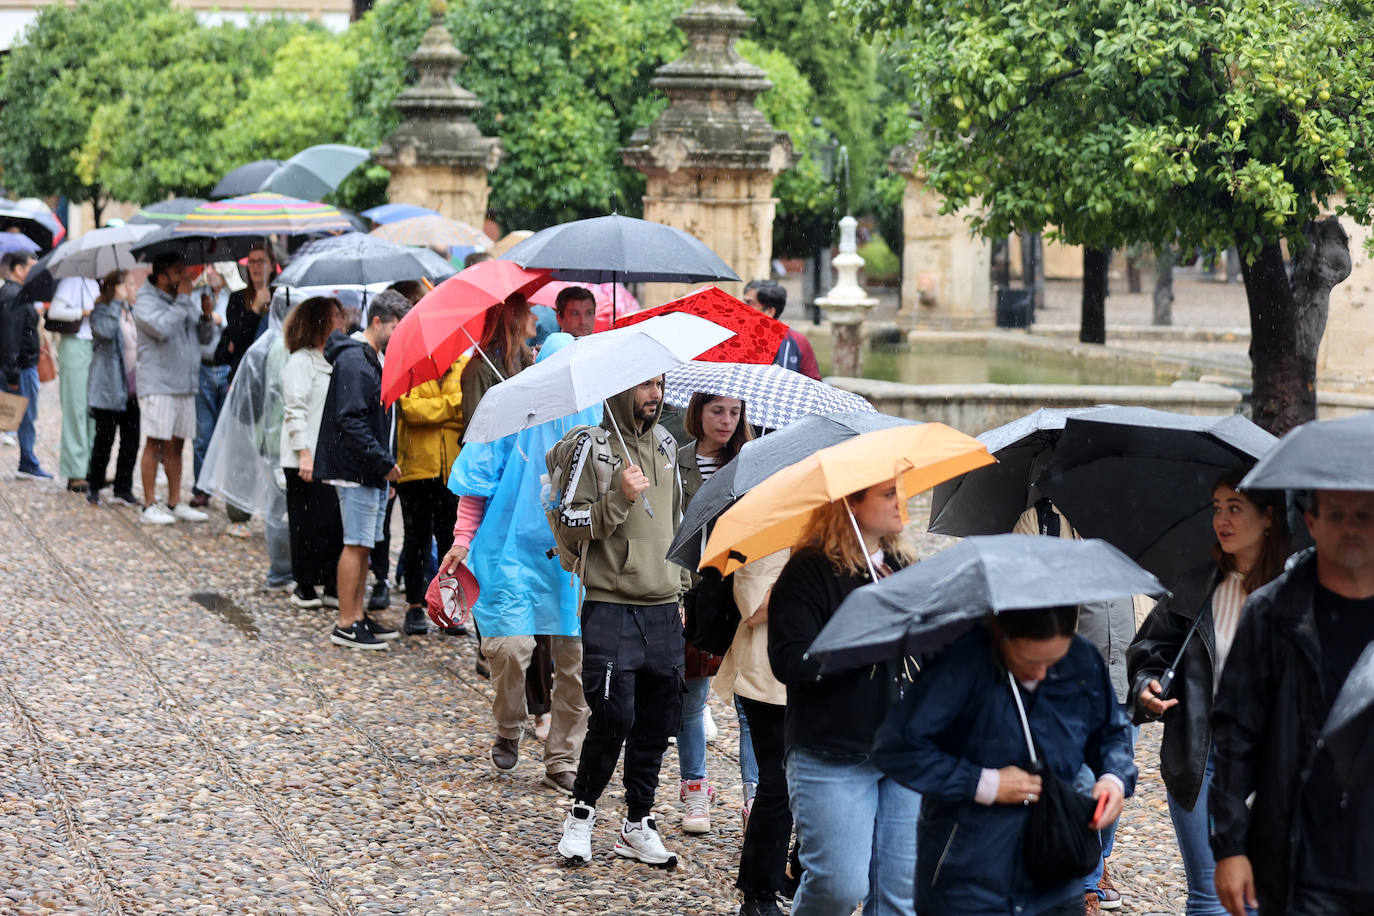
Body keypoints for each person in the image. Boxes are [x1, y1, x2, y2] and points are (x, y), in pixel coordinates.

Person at [874, 604, 1136, 916]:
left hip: (1056, 869)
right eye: (1029, 662)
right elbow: (897, 747)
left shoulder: (1081, 658)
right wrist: (984, 783)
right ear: (1001, 633)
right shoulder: (961, 662)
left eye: (1052, 663)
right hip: (969, 874)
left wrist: (1113, 778)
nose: (1040, 674)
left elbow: (1111, 730)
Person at [1128, 471, 1291, 916]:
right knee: (1209, 897)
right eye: (1217, 508)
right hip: (1202, 754)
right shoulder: (1197, 586)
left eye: (1235, 508)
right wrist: (1148, 686)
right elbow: (1150, 652)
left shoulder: (1297, 593)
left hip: (1278, 762)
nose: (1222, 519)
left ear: (1269, 518)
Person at [1209, 488, 1374, 916]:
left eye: (1366, 515)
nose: (1352, 528)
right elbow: (1235, 737)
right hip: (1299, 861)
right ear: (1312, 522)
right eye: (1337, 514)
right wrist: (1229, 847)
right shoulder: (1272, 612)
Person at [441, 331, 592, 793]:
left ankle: (563, 755)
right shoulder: (507, 411)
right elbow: (477, 483)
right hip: (509, 550)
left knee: (578, 661)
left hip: (574, 554)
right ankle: (509, 723)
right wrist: (463, 541)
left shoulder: (597, 413)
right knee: (509, 648)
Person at [767, 482, 921, 916]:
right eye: (888, 493)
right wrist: (864, 629)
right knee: (838, 885)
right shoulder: (809, 570)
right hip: (831, 750)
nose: (900, 502)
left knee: (898, 895)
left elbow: (928, 652)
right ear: (851, 502)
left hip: (903, 748)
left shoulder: (903, 564)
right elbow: (789, 661)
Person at [554, 375, 688, 869]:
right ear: (617, 389)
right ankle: (581, 818)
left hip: (664, 605)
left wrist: (682, 590)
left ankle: (637, 823)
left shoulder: (669, 444)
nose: (654, 395)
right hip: (611, 604)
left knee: (657, 721)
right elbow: (569, 517)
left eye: (659, 384)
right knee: (612, 717)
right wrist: (619, 499)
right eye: (643, 385)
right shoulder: (593, 446)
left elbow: (677, 522)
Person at [1013, 498, 1142, 912]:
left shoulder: (1128, 516)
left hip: (1124, 674)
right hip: (1067, 680)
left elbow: (1148, 592)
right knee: (1078, 779)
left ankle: (1099, 858)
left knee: (1116, 773)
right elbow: (1018, 589)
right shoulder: (1040, 520)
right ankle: (1082, 876)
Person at [676, 393, 754, 835]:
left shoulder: (751, 460)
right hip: (693, 587)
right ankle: (694, 787)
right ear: (698, 412)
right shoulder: (676, 460)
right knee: (692, 696)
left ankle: (754, 794)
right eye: (717, 410)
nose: (727, 421)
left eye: (735, 411)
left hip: (738, 584)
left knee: (750, 697)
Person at [312, 295, 405, 651]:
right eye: (396, 327)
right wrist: (382, 461)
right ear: (378, 322)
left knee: (364, 545)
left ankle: (357, 615)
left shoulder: (368, 358)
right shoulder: (354, 359)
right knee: (355, 545)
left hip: (368, 470)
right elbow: (350, 419)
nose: (398, 335)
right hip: (356, 470)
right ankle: (346, 622)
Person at [716, 547, 790, 916]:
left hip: (821, 676)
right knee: (778, 783)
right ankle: (758, 894)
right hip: (766, 679)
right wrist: (802, 580)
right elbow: (754, 613)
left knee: (818, 777)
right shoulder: (761, 539)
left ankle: (799, 867)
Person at [132, 254, 215, 523]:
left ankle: (174, 501)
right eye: (178, 271)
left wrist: (205, 315)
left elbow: (204, 339)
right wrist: (183, 300)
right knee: (155, 442)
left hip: (184, 382)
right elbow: (162, 327)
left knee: (177, 444)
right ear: (162, 275)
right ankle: (148, 504)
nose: (184, 276)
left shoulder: (183, 300)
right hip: (159, 383)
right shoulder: (145, 301)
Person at [394, 346, 467, 635]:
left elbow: (469, 410)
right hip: (416, 469)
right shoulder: (411, 365)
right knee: (416, 540)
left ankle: (448, 607)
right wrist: (451, 406)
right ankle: (414, 606)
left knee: (452, 542)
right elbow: (411, 410)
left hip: (453, 470)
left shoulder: (464, 366)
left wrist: (435, 408)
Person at [280, 296, 346, 610]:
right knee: (306, 521)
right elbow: (295, 410)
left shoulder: (329, 359)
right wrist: (303, 453)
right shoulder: (300, 361)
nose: (341, 321)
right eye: (335, 316)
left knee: (329, 521)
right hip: (303, 457)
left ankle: (329, 581)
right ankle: (305, 583)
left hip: (325, 457)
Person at [85, 271, 140, 506]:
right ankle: (94, 484)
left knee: (131, 440)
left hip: (132, 386)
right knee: (104, 440)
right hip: (108, 386)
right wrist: (116, 304)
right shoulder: (102, 311)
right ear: (115, 287)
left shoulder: (131, 312)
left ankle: (123, 487)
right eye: (128, 283)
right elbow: (105, 332)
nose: (133, 287)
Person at [1, 252, 51, 479]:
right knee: (25, 415)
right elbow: (10, 337)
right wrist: (12, 373)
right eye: (31, 267)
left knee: (22, 415)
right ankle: (28, 462)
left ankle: (28, 461)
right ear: (19, 269)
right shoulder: (14, 295)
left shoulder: (14, 294)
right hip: (21, 367)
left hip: (20, 365)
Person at [47, 276, 100, 492]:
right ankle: (75, 470)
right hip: (75, 344)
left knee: (92, 411)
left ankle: (89, 467)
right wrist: (83, 312)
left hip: (93, 346)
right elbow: (54, 312)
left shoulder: (96, 283)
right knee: (75, 408)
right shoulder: (72, 282)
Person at [189, 262, 235, 508]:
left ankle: (224, 487)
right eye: (211, 269)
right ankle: (201, 487)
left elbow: (236, 329)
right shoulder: (198, 296)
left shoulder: (234, 297)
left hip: (226, 370)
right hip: (204, 368)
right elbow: (201, 336)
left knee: (225, 435)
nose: (213, 273)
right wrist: (207, 317)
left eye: (218, 269)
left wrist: (219, 319)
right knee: (203, 435)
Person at [214, 246, 273, 382]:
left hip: (270, 373)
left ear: (271, 266)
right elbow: (237, 339)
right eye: (251, 261)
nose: (255, 266)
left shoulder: (280, 295)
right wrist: (255, 309)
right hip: (244, 373)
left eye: (261, 261)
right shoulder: (237, 298)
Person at [742, 280, 820, 380]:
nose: (742, 306)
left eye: (749, 303)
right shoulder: (734, 340)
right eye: (743, 301)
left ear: (769, 311)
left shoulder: (797, 342)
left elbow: (813, 382)